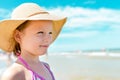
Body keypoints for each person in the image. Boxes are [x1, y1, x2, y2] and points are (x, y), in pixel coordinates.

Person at [0, 3, 67, 80]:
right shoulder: (15, 74)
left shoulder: (46, 67)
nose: (48, 39)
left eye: (50, 33)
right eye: (40, 33)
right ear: (18, 36)